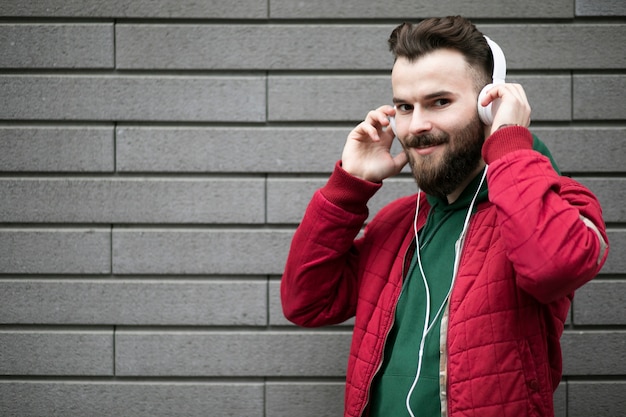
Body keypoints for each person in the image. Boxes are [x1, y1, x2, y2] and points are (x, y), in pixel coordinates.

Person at [280, 16, 609, 417]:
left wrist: (509, 144)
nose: (416, 126)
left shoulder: (558, 205)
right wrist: (349, 188)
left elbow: (555, 267)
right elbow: (306, 302)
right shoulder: (397, 224)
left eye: (440, 102)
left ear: (490, 105)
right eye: (405, 106)